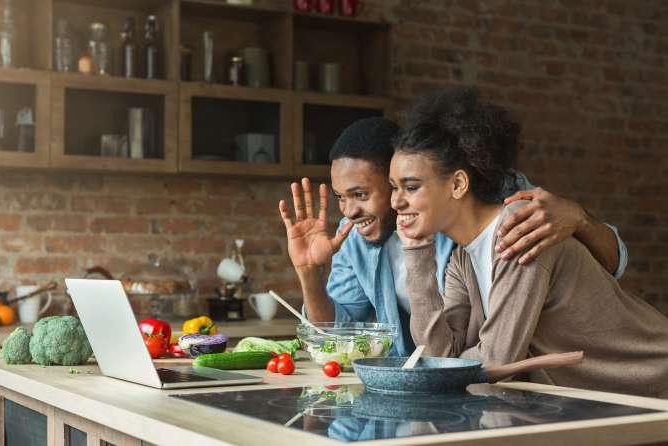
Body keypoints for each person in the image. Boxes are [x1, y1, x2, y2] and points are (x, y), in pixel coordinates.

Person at [391, 87, 668, 397]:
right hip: (604, 400)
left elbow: (496, 360)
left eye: (411, 187)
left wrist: (453, 365)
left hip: (655, 381)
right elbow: (437, 358)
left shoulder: (520, 226)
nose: (396, 202)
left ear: (457, 184)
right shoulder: (462, 261)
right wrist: (416, 250)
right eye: (393, 188)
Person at [279, 117, 629, 356]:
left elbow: (608, 266)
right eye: (341, 197)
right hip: (460, 383)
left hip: (558, 377)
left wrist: (581, 219)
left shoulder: (493, 209)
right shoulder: (353, 237)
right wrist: (309, 272)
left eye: (360, 194)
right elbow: (336, 336)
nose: (349, 211)